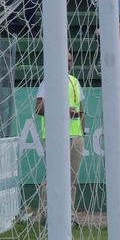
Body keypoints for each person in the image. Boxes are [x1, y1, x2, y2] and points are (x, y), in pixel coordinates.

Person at [33, 50, 84, 219]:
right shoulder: (49, 81)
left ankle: (70, 214)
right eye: (65, 60)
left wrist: (82, 132)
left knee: (72, 179)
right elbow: (39, 108)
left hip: (75, 136)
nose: (68, 63)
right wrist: (63, 111)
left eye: (70, 60)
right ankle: (45, 213)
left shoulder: (75, 81)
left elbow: (81, 110)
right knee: (53, 176)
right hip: (54, 135)